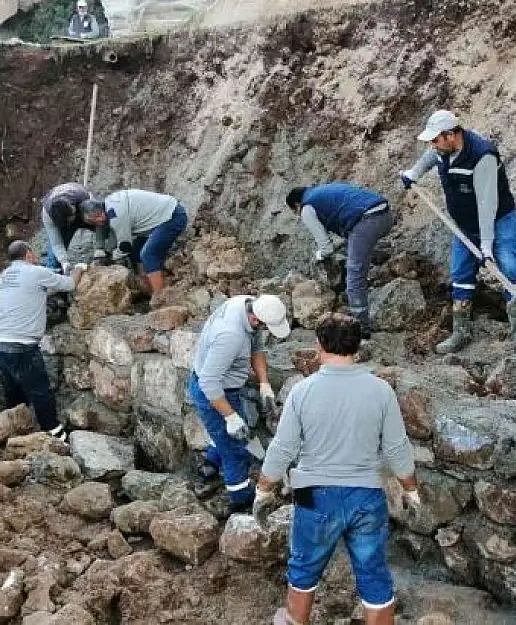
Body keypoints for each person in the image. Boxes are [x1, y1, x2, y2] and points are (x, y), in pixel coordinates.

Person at [255, 313, 419, 625]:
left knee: (303, 568)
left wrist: (264, 489)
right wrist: (411, 490)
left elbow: (282, 448)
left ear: (319, 346)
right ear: (358, 347)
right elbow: (397, 449)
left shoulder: (303, 391)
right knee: (373, 574)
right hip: (366, 495)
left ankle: (294, 621)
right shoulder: (381, 391)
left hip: (313, 495)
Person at [400, 110, 516, 355]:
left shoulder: (482, 156)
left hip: (498, 220)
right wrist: (414, 173)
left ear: (452, 135)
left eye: (436, 140)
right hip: (464, 224)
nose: (432, 145)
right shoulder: (443, 151)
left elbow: (487, 204)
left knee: (511, 268)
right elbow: (431, 156)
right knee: (460, 273)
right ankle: (460, 332)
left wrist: (486, 245)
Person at [188, 294, 290, 513]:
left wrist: (264, 384)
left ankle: (210, 465)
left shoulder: (247, 303)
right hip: (212, 392)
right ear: (255, 320)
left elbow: (257, 348)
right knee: (234, 448)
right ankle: (241, 498)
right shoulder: (230, 335)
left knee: (225, 435)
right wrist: (230, 416)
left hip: (225, 386)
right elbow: (208, 381)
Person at [0, 241, 84, 441]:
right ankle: (55, 434)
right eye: (33, 254)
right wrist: (79, 268)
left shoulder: (6, 275)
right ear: (29, 254)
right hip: (21, 347)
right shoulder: (35, 272)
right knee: (40, 391)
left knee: (14, 392)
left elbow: (34, 292)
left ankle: (12, 432)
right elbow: (70, 284)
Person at [285, 183, 393, 338]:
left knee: (354, 275)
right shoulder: (322, 192)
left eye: (295, 212)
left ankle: (361, 328)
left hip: (367, 221)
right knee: (352, 250)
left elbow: (326, 248)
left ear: (296, 205)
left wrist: (319, 255)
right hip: (385, 214)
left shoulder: (307, 208)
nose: (298, 215)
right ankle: (355, 292)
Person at [80, 189, 189, 295]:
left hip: (172, 217)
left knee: (148, 255)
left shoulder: (116, 214)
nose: (99, 220)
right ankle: (148, 287)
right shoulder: (108, 205)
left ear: (101, 208)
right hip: (159, 218)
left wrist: (112, 261)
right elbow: (102, 226)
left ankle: (160, 296)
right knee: (136, 253)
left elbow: (124, 246)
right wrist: (99, 249)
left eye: (99, 215)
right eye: (94, 220)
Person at [41, 182, 106, 273]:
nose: (72, 221)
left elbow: (99, 220)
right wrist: (64, 262)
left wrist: (100, 247)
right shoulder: (48, 217)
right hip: (61, 219)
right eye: (69, 220)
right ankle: (53, 273)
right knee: (57, 250)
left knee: (103, 223)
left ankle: (112, 251)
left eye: (72, 217)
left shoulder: (84, 197)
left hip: (81, 206)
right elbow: (56, 243)